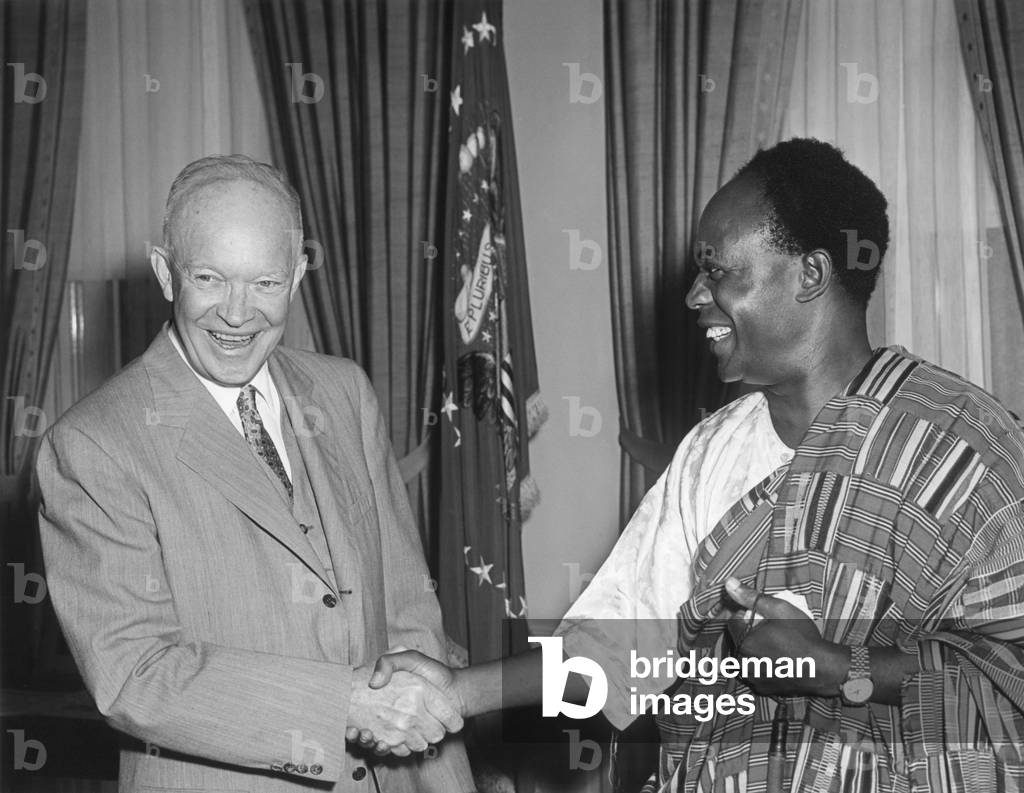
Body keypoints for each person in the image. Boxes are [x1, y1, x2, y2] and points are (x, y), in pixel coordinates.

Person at [364, 138, 1024, 792]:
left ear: (811, 273)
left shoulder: (967, 445)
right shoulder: (712, 453)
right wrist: (456, 688)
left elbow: (1011, 669)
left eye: (719, 271)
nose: (693, 296)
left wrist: (838, 667)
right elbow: (617, 644)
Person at [36, 155, 474, 793]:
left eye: (265, 283)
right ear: (166, 273)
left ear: (296, 276)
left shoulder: (344, 392)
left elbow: (407, 611)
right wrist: (341, 706)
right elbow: (134, 675)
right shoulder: (91, 445)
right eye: (209, 278)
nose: (237, 314)